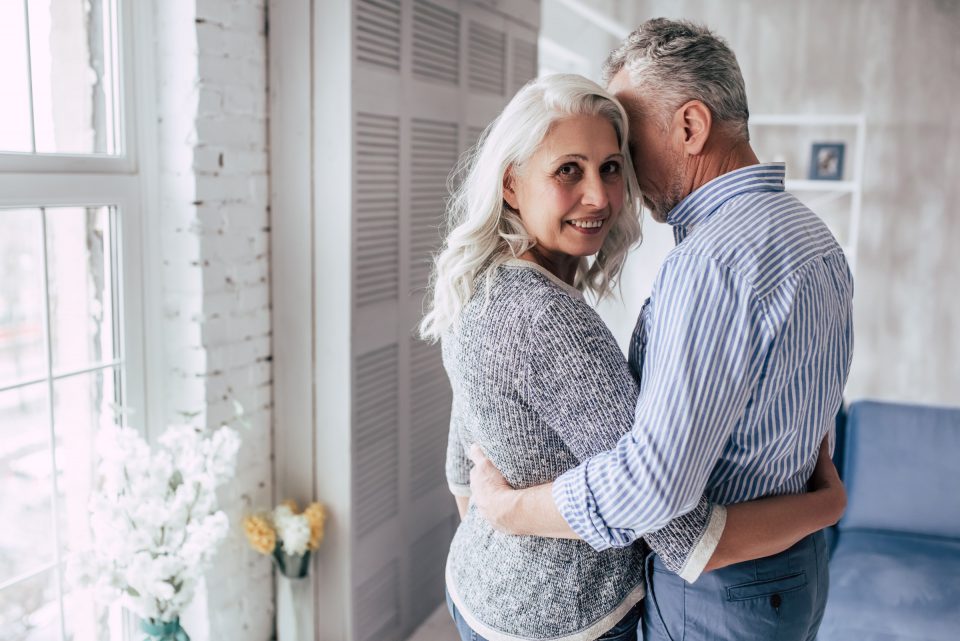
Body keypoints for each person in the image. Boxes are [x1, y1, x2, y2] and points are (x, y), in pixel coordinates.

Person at [420, 73, 846, 641]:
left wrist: (504, 553)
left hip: (478, 591)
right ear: (511, 184)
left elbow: (462, 467)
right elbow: (679, 531)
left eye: (613, 166)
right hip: (569, 624)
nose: (599, 195)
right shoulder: (547, 317)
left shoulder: (481, 284)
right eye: (568, 169)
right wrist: (828, 506)